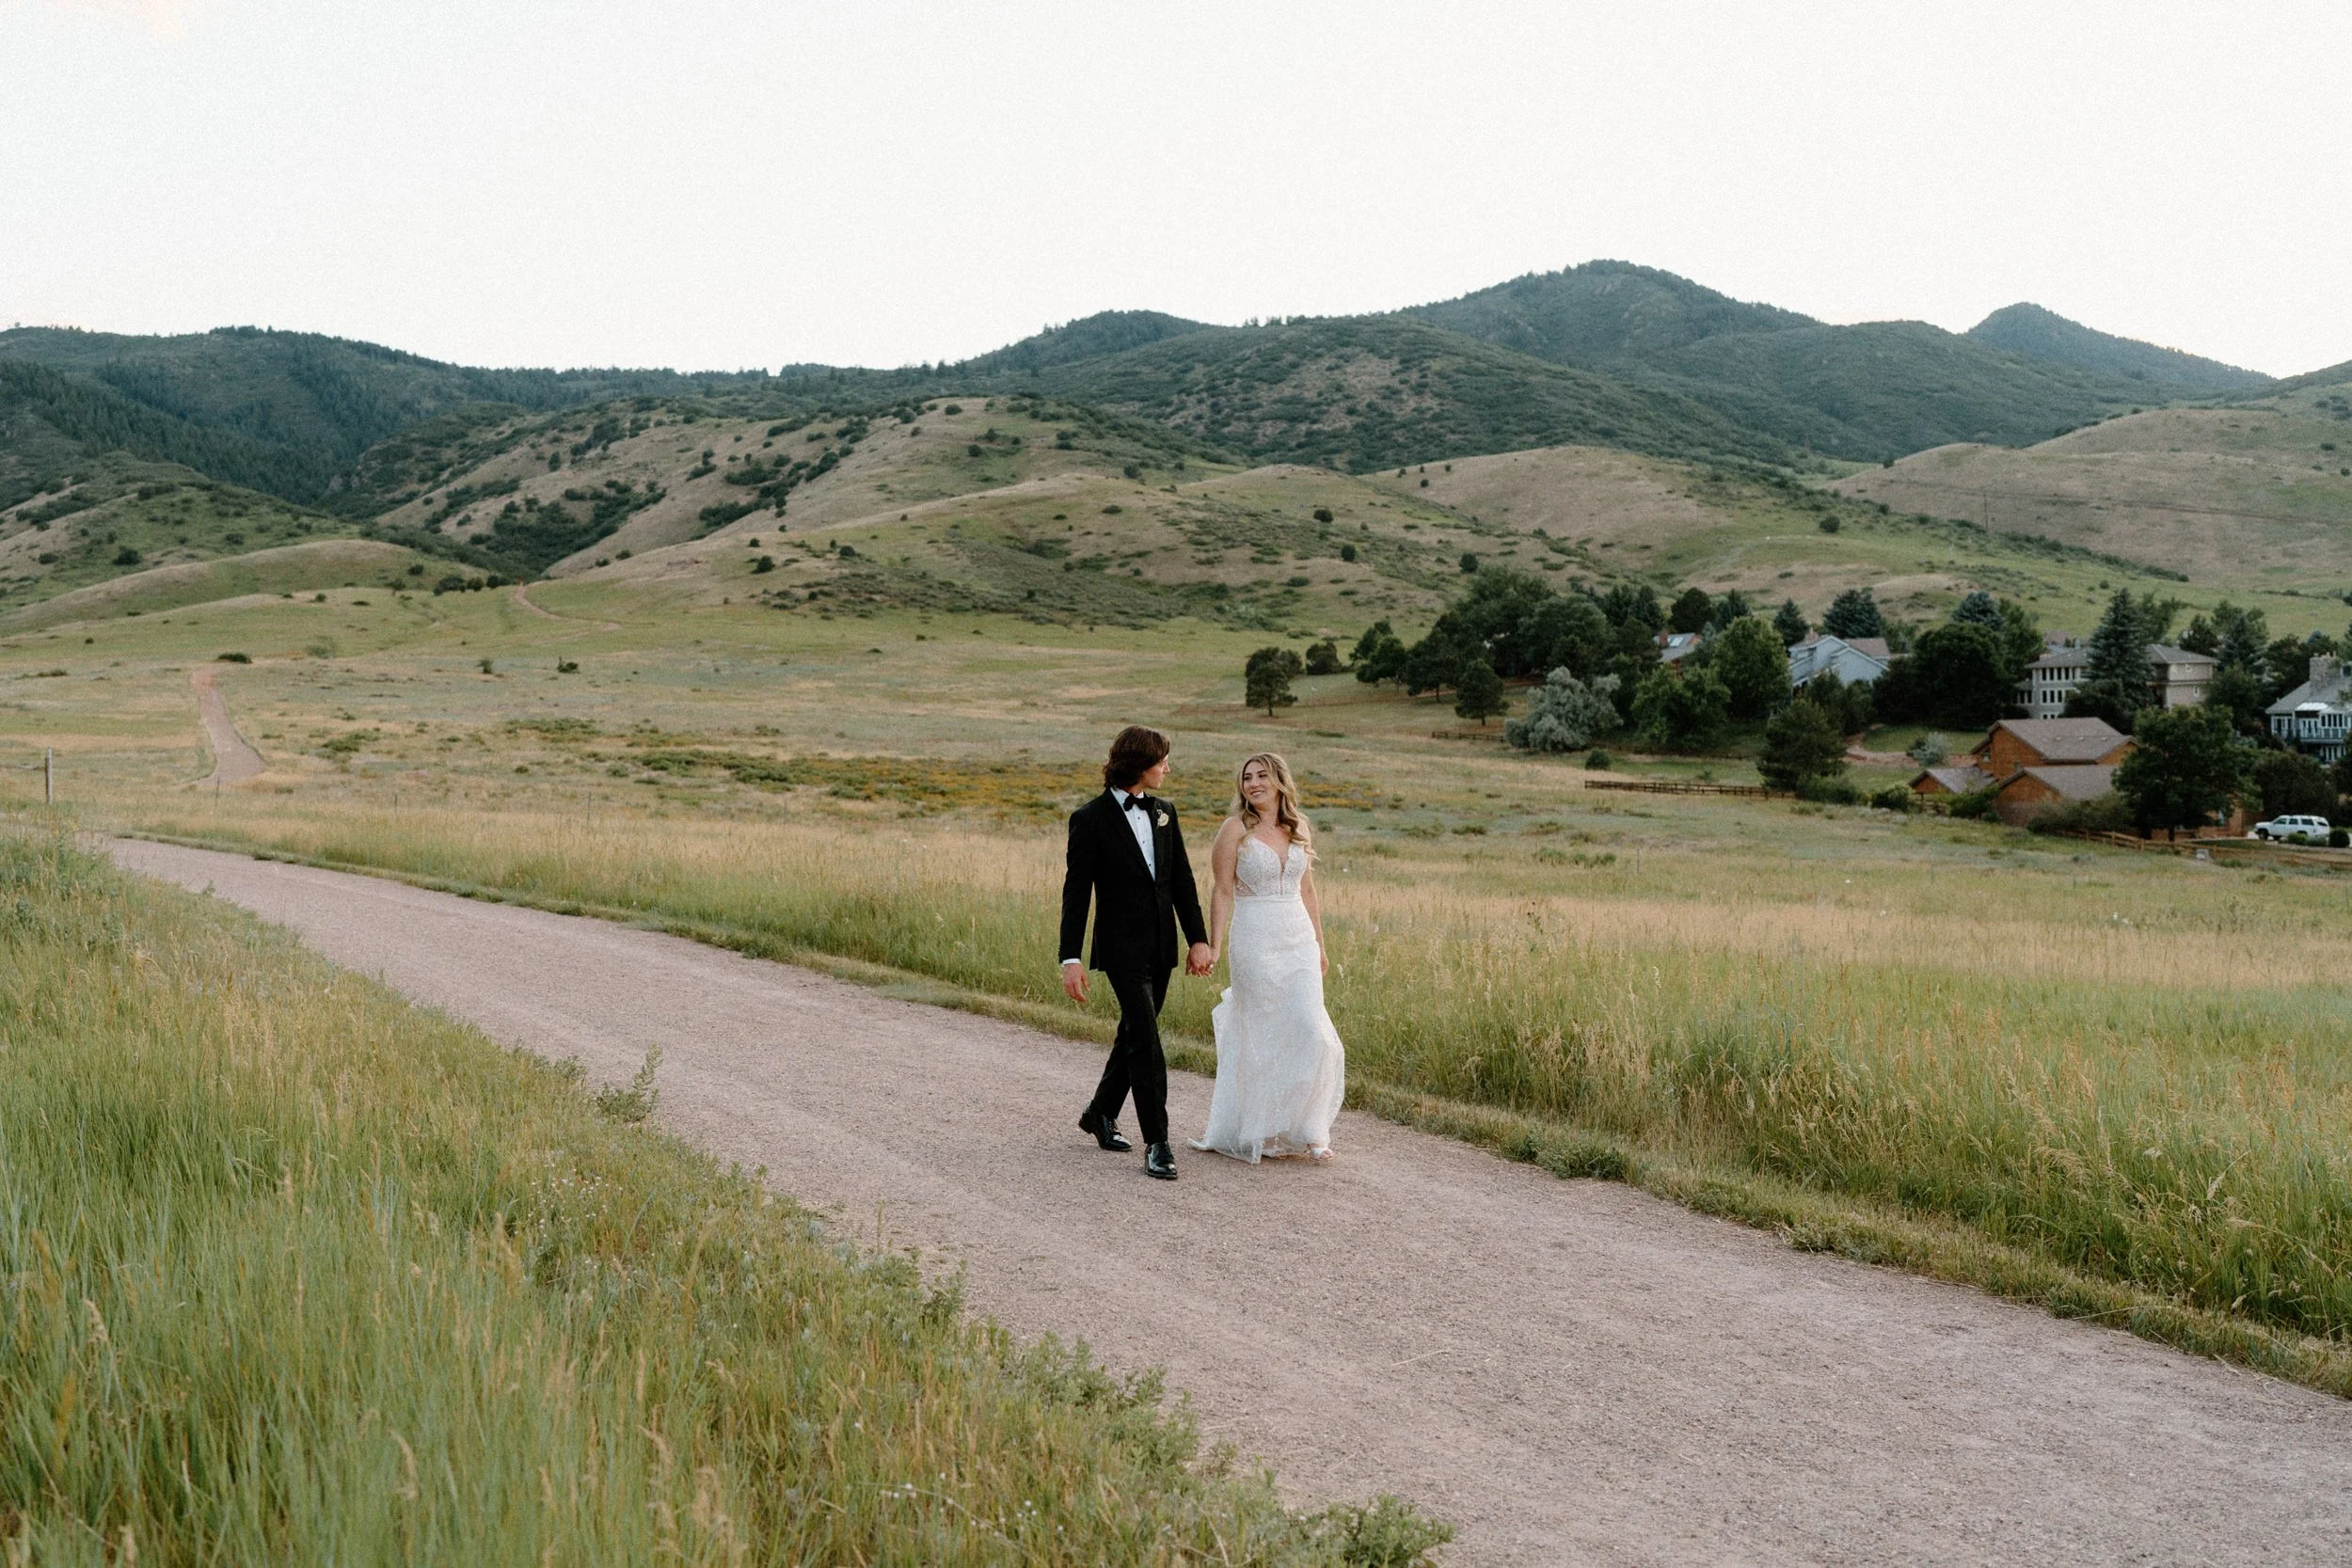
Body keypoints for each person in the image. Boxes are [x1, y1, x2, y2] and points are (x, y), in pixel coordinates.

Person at [1059, 725, 1211, 1180]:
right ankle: (1158, 1142)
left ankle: (1099, 1112)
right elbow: (1076, 894)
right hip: (1120, 948)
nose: (1168, 767)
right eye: (1163, 759)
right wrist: (1071, 958)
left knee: (1134, 1032)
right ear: (1140, 763)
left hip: (1162, 945)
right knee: (1145, 1037)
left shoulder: (1165, 812)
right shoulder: (1089, 819)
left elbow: (1181, 881)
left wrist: (1197, 939)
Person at [1191, 752, 1345, 1164]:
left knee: (1312, 1030)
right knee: (1263, 1034)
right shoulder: (1234, 829)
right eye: (1247, 778)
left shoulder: (1297, 827)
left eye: (1262, 776)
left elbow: (1308, 890)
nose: (1254, 783)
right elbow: (1222, 890)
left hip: (1298, 940)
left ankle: (1312, 1130)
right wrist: (1215, 945)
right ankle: (1266, 1129)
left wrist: (1320, 945)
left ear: (1279, 781)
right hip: (1255, 939)